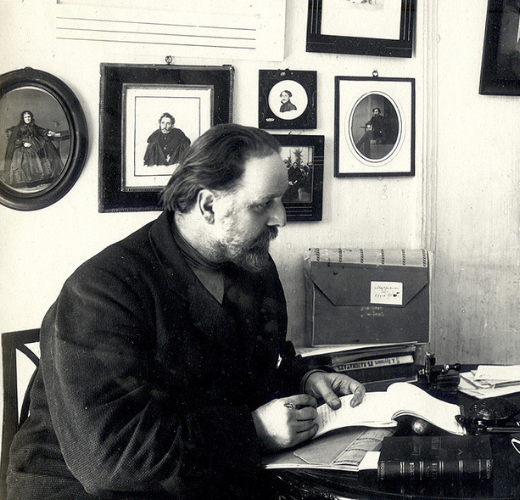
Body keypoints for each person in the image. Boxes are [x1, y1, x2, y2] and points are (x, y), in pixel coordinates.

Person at [7, 124, 366, 500]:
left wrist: (304, 380)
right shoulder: (101, 290)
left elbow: (247, 375)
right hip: (84, 489)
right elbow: (114, 460)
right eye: (263, 204)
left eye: (281, 199)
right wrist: (253, 431)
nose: (281, 218)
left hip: (196, 476)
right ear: (208, 206)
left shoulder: (253, 265)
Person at [3, 110, 65, 188]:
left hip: (36, 143)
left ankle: (44, 178)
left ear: (31, 117)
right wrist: (23, 143)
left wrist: (47, 132)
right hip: (24, 146)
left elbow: (40, 130)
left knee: (46, 146)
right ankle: (31, 180)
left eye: (29, 117)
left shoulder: (33, 125)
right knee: (28, 158)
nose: (28, 118)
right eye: (26, 117)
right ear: (23, 118)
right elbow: (13, 140)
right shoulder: (18, 128)